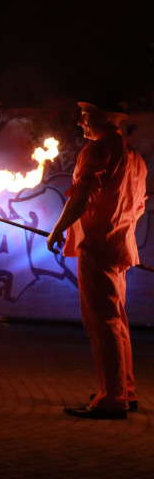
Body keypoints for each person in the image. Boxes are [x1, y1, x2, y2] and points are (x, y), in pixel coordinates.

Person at [48, 101, 147, 419]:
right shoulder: (135, 158)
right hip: (120, 245)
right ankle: (123, 391)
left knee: (101, 322)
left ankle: (111, 400)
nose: (80, 122)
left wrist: (58, 229)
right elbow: (139, 205)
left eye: (86, 116)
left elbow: (82, 194)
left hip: (98, 246)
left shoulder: (98, 151)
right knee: (115, 320)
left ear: (106, 117)